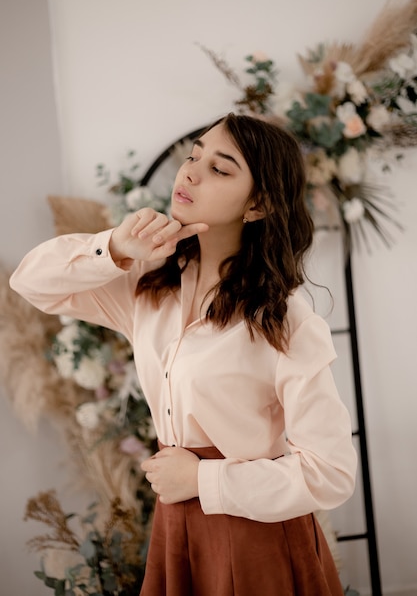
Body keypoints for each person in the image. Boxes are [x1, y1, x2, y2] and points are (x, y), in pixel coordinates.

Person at [10, 113, 357, 595]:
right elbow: (29, 282)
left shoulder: (285, 320)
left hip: (252, 532)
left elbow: (331, 473)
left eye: (220, 168)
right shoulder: (148, 288)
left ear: (256, 204)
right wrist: (116, 247)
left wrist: (203, 480)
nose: (190, 172)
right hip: (176, 522)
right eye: (193, 156)